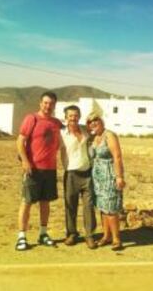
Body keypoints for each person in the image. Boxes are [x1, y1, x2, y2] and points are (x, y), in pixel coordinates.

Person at [15, 91, 62, 251]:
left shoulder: (56, 123)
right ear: (40, 103)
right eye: (45, 103)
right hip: (33, 169)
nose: (48, 106)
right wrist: (25, 161)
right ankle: (21, 236)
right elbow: (20, 141)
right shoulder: (32, 118)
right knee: (27, 202)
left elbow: (59, 143)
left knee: (45, 202)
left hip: (49, 169)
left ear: (55, 105)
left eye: (51, 103)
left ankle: (43, 233)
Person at [86, 112, 126, 251]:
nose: (93, 123)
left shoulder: (109, 135)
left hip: (109, 176)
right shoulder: (94, 137)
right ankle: (106, 236)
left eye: (96, 120)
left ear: (101, 121)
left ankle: (116, 239)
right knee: (102, 208)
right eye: (90, 122)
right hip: (97, 178)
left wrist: (119, 176)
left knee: (110, 208)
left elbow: (117, 157)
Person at [60, 105, 97, 249]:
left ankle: (89, 236)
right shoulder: (61, 134)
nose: (73, 118)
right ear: (65, 118)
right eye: (70, 116)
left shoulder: (86, 131)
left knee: (88, 206)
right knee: (70, 206)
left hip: (87, 173)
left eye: (76, 115)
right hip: (71, 174)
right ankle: (72, 234)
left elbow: (98, 132)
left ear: (79, 117)